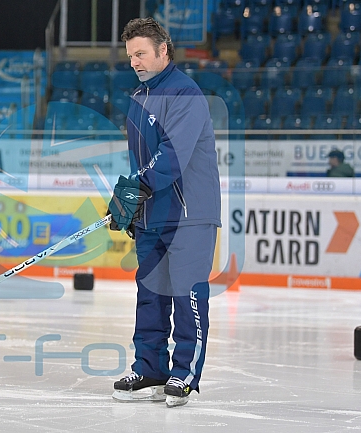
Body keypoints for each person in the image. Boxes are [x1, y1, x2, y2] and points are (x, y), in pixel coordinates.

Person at [107, 17, 221, 408]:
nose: (135, 61)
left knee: (188, 293)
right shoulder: (139, 98)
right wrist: (131, 204)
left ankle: (185, 372)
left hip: (190, 213)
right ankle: (150, 367)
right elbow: (141, 160)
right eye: (130, 55)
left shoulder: (185, 94)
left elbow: (172, 154)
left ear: (163, 51)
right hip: (154, 214)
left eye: (140, 53)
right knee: (151, 293)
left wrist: (138, 187)